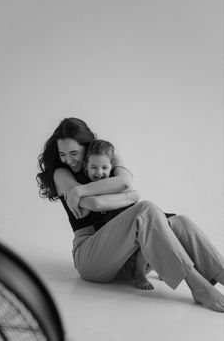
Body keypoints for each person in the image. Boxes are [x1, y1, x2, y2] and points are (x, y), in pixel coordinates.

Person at [37, 117, 224, 312]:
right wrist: (129, 196)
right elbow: (94, 203)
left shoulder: (105, 155)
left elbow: (125, 182)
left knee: (180, 222)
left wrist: (82, 190)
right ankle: (199, 286)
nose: (69, 160)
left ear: (87, 146)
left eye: (74, 153)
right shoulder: (61, 173)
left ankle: (221, 273)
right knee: (145, 210)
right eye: (63, 154)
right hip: (91, 257)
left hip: (128, 259)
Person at [84, 138, 153, 289]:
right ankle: (141, 271)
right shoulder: (86, 188)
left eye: (104, 167)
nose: (99, 172)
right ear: (86, 167)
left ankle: (140, 272)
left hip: (131, 230)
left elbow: (133, 194)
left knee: (151, 227)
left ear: (112, 167)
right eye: (93, 167)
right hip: (111, 238)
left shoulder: (117, 183)